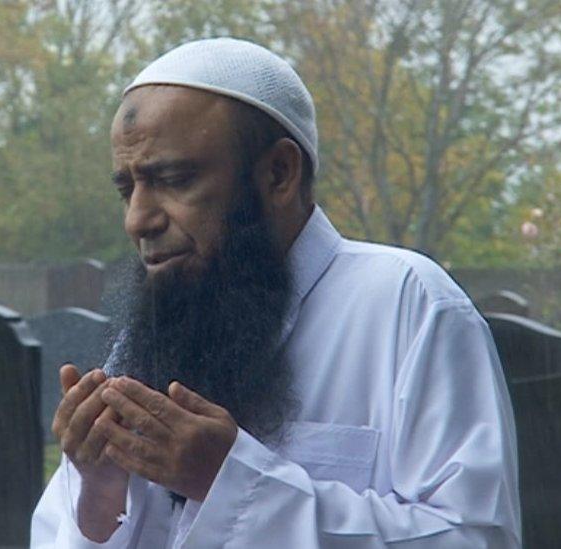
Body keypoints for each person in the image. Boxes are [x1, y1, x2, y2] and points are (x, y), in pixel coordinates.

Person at [31, 37, 521, 548]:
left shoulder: (408, 304)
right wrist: (100, 500)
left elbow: (475, 538)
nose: (138, 219)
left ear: (279, 173)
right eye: (128, 190)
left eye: (173, 179)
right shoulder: (157, 328)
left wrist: (233, 485)